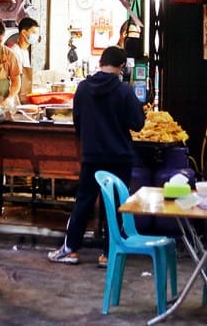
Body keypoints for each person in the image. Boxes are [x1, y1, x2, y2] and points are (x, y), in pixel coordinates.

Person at [48, 46, 145, 267]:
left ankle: (71, 249)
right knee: (117, 204)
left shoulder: (82, 88)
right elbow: (138, 124)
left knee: (84, 202)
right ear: (122, 67)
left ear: (101, 62)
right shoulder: (124, 91)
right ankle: (108, 254)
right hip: (119, 156)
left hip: (92, 155)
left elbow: (77, 123)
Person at [3, 17, 40, 101]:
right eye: (34, 33)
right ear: (24, 33)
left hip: (23, 96)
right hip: (14, 97)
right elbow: (13, 79)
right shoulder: (14, 52)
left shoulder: (25, 51)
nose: (36, 36)